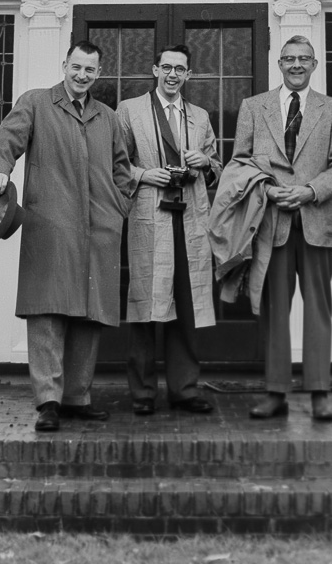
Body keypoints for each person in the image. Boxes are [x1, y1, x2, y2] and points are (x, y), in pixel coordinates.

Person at [0, 39, 133, 433]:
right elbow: (7, 141)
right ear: (64, 64)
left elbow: (122, 168)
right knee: (47, 311)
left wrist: (120, 208)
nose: (82, 75)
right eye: (76, 67)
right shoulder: (36, 102)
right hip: (51, 222)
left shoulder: (108, 117)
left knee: (88, 314)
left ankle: (78, 398)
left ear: (98, 73)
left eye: (90, 70)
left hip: (99, 227)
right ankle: (48, 401)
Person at [230, 35, 332, 421]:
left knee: (319, 308)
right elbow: (240, 162)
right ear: (279, 64)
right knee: (274, 309)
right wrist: (267, 190)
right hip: (271, 222)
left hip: (316, 219)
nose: (296, 65)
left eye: (304, 59)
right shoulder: (254, 107)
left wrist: (309, 191)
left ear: (314, 64)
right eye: (289, 59)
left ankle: (319, 391)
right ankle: (276, 391)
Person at [116, 44, 222, 415]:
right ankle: (143, 392)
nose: (173, 75)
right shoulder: (130, 111)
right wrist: (145, 174)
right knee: (146, 306)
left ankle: (185, 389)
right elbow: (114, 164)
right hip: (150, 215)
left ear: (189, 75)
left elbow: (216, 168)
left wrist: (205, 161)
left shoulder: (200, 116)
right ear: (154, 70)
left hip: (189, 216)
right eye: (166, 68)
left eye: (180, 69)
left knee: (187, 303)